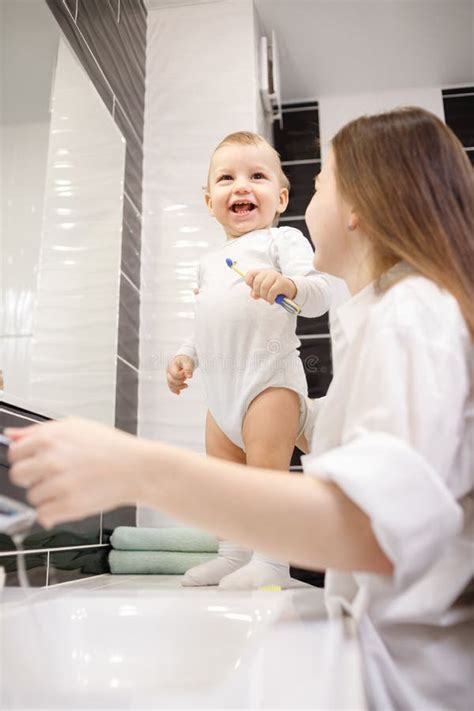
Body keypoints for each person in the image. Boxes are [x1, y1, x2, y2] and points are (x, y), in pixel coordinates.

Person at [6, 107, 474, 710]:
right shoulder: (395, 316)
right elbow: (371, 457)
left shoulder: (411, 312)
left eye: (320, 183)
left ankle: (259, 559)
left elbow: (368, 528)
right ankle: (235, 552)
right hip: (388, 658)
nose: (310, 197)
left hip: (411, 681)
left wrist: (135, 467)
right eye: (225, 180)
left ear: (357, 208)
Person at [166, 131, 332, 589]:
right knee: (224, 481)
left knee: (264, 476)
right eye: (226, 178)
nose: (241, 186)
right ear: (208, 201)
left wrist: (288, 285)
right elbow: (206, 319)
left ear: (280, 197)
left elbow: (320, 295)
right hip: (220, 393)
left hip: (270, 382)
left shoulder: (283, 240)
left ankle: (273, 560)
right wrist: (185, 354)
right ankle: (234, 553)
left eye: (256, 176)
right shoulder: (206, 262)